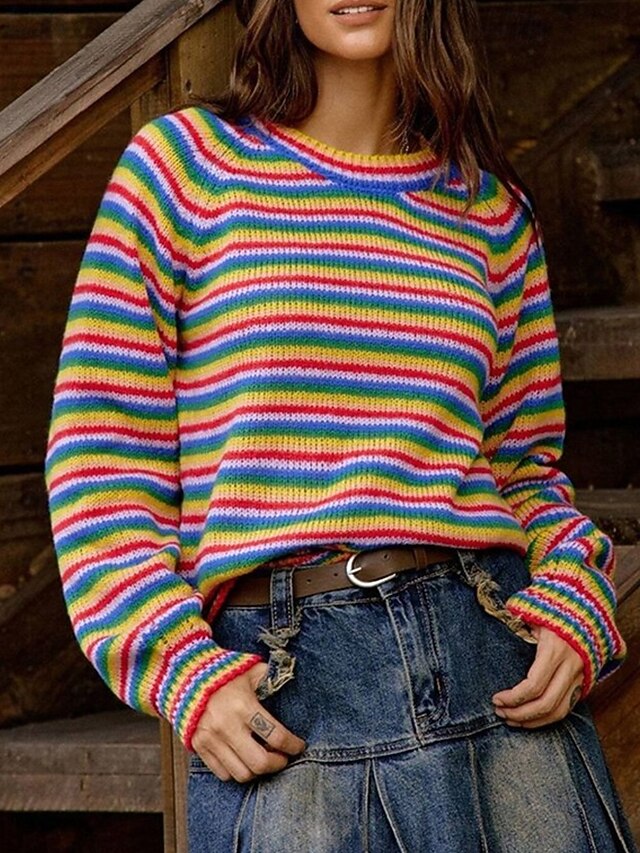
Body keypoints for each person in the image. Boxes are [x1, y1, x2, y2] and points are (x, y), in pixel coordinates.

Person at [46, 0, 636, 850]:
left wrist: (576, 593)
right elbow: (100, 462)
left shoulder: (492, 212)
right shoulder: (182, 170)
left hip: (492, 664)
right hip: (290, 696)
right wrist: (178, 664)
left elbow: (523, 470)